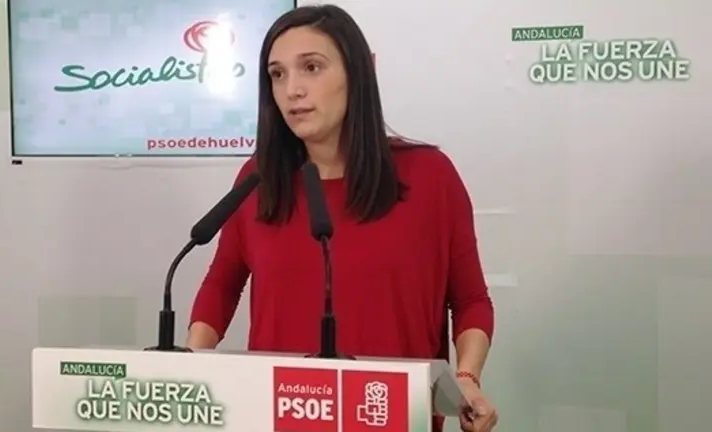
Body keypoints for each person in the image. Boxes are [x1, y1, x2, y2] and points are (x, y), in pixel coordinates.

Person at [187, 4, 497, 431]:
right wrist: (189, 367)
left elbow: (470, 300)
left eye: (311, 67)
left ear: (357, 73)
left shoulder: (430, 176)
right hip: (279, 416)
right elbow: (221, 286)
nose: (292, 89)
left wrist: (467, 379)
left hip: (393, 416)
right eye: (277, 74)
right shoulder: (258, 178)